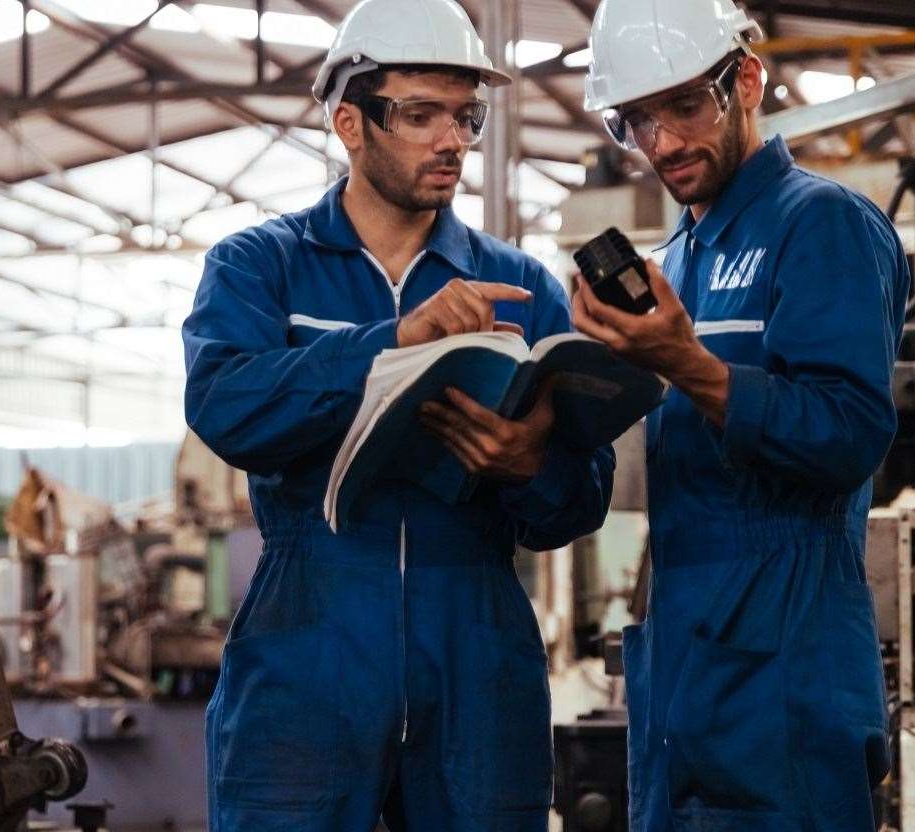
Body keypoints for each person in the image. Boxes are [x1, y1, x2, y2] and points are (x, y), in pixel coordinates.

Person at [182, 0, 615, 828]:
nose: (452, 141)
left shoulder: (518, 287)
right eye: (421, 115)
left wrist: (529, 465)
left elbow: (579, 499)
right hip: (309, 632)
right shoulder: (258, 265)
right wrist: (390, 344)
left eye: (466, 117)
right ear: (351, 122)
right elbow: (224, 405)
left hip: (476, 643)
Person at [574, 1, 909, 830]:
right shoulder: (677, 260)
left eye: (685, 105)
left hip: (787, 661)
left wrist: (687, 363)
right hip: (688, 661)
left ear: (747, 80)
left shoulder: (821, 222)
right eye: (637, 121)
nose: (664, 144)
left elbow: (849, 434)